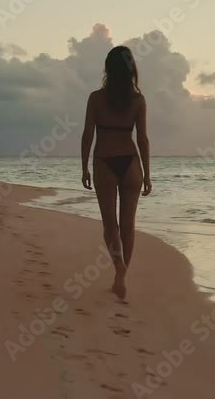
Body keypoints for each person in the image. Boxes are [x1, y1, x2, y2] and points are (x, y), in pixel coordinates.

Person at [81, 46, 152, 300]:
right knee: (128, 225)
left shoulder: (96, 99)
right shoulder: (138, 100)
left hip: (104, 162)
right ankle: (121, 275)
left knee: (110, 224)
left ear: (108, 68)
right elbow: (142, 139)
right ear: (131, 68)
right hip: (131, 163)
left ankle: (119, 269)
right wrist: (147, 172)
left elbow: (88, 134)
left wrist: (84, 166)